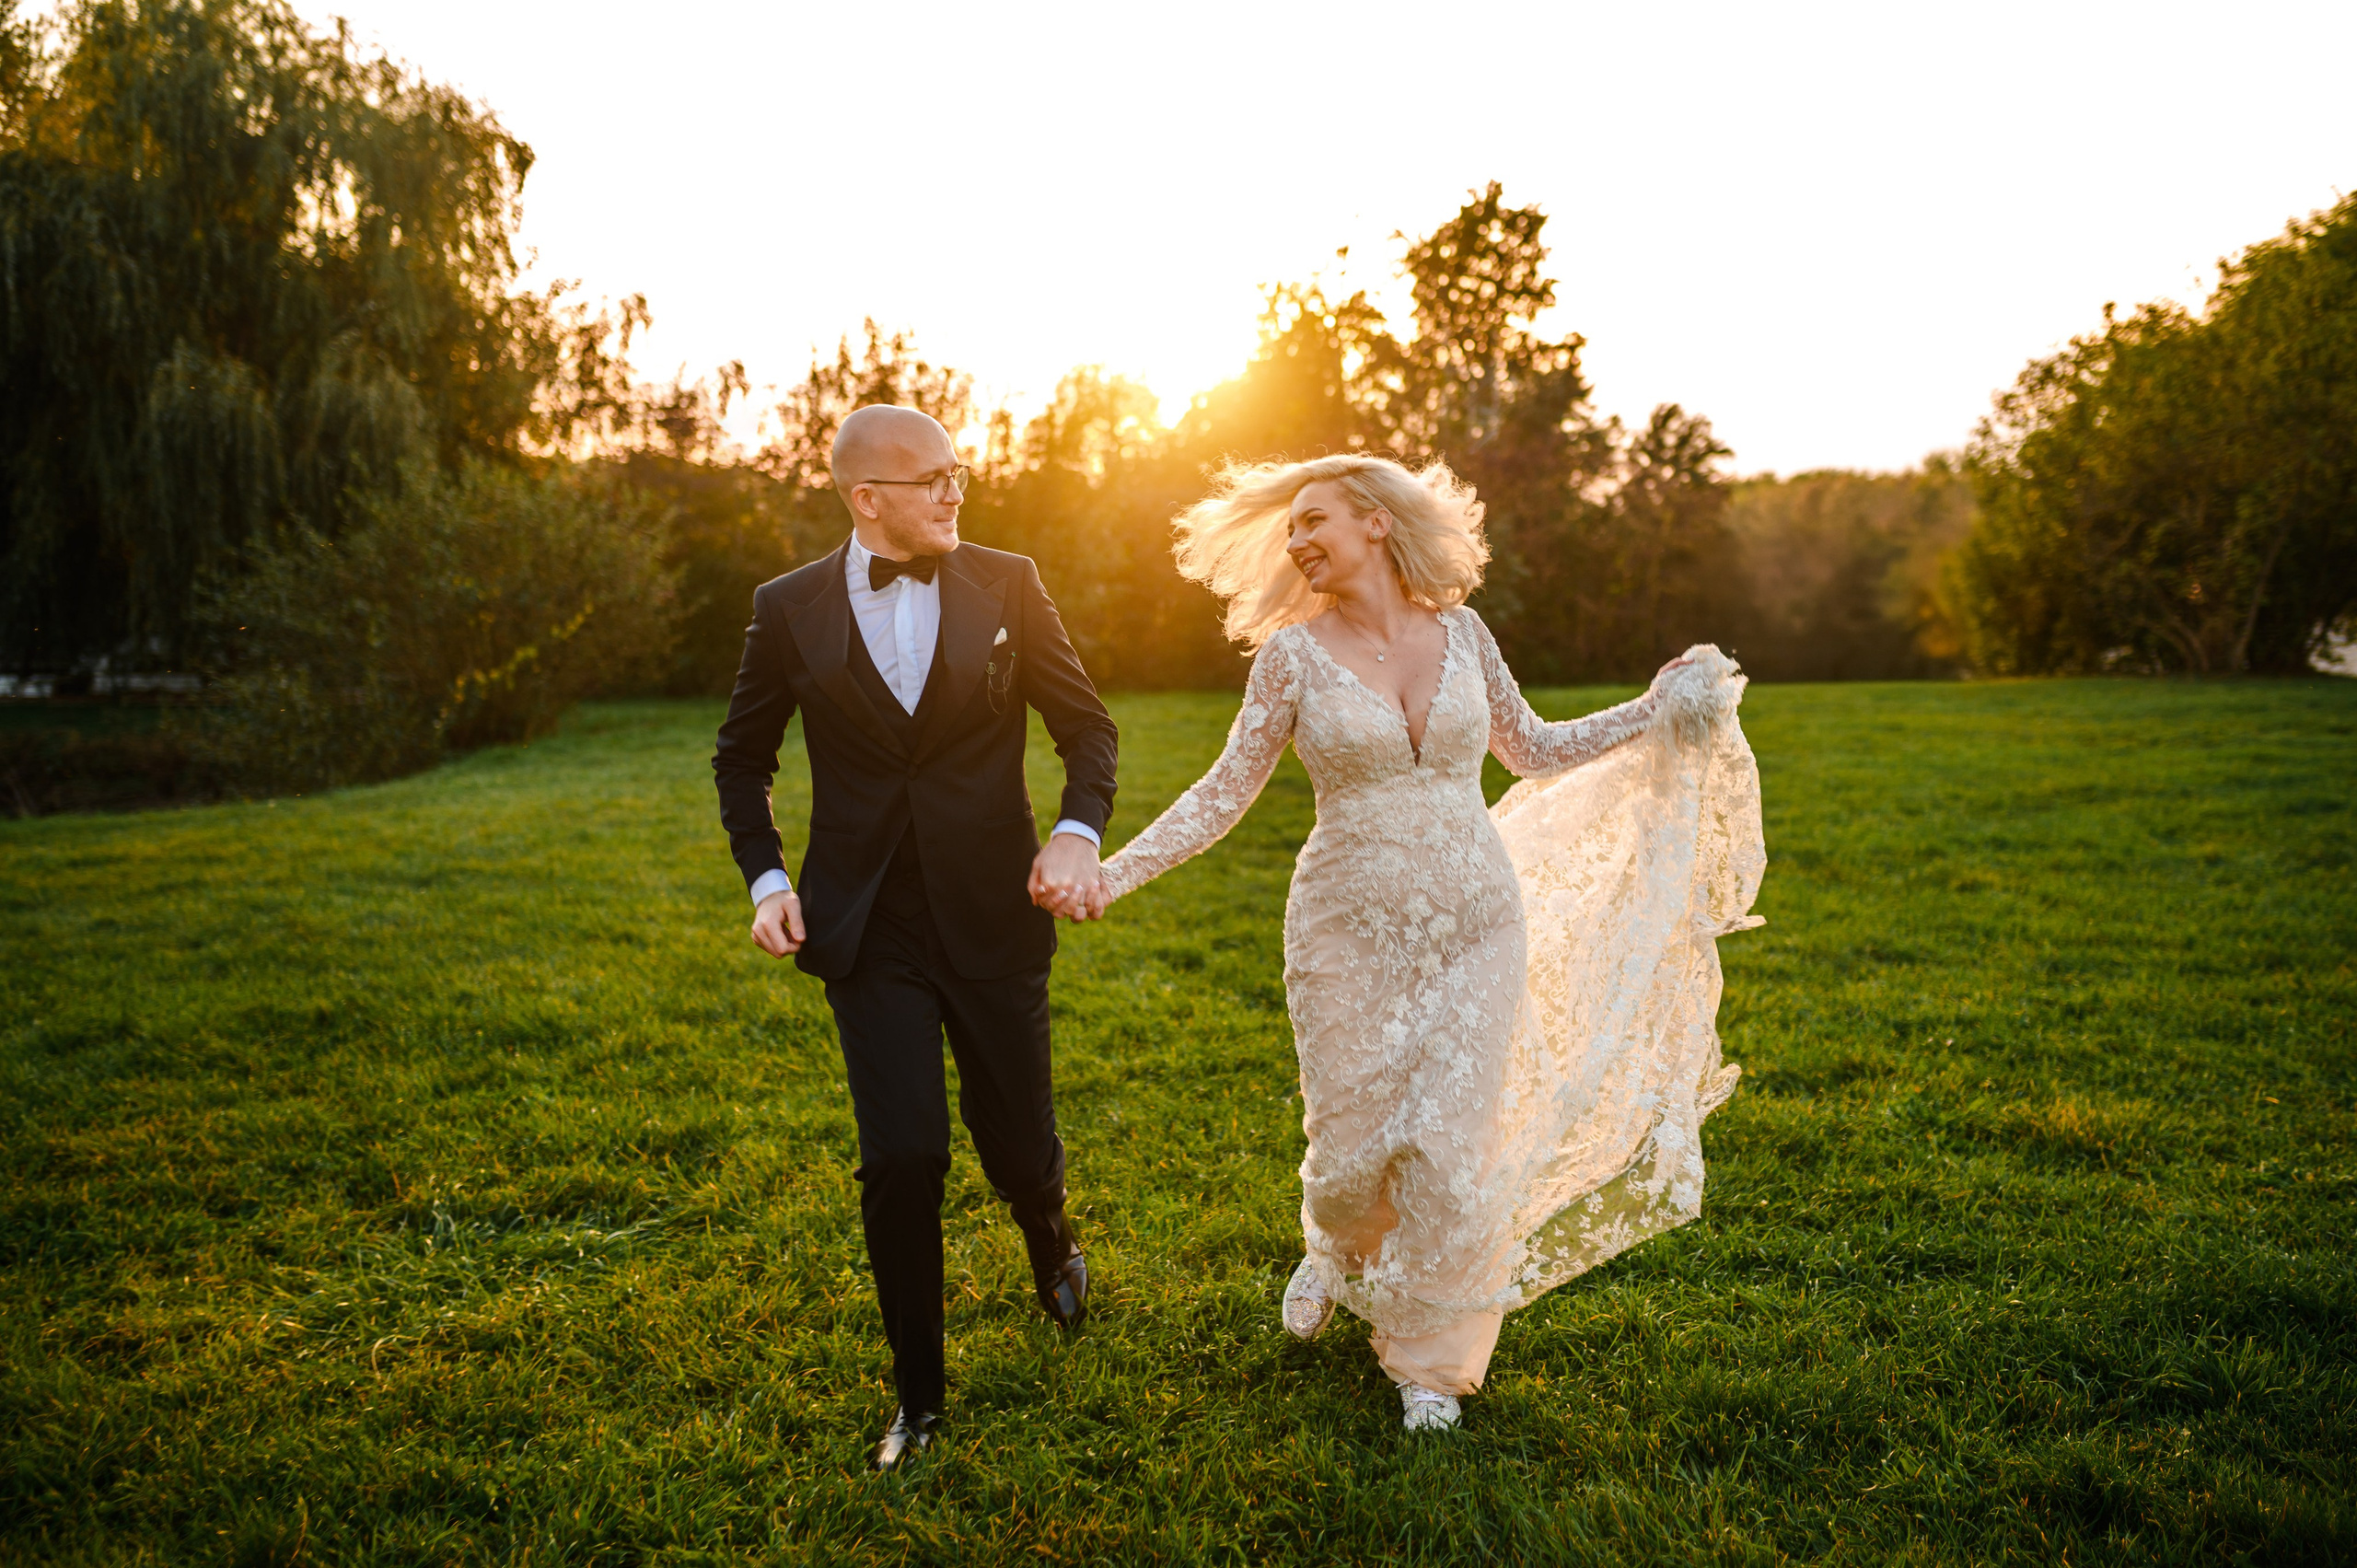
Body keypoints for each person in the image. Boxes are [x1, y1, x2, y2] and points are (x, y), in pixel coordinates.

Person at [1075, 454, 1762, 1432]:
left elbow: (1534, 749)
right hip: (1344, 925)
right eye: (1289, 532)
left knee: (1449, 1144)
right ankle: (1333, 1244)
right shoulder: (1291, 657)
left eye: (1313, 521)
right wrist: (1113, 872)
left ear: (1374, 521)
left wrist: (1656, 708)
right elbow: (1223, 790)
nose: (1298, 542)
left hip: (1479, 916)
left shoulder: (1465, 634)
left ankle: (1428, 1361)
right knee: (1352, 1145)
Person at [713, 405, 1118, 1471]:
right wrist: (767, 882)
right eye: (934, 478)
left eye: (958, 475)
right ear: (867, 498)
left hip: (991, 908)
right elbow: (739, 757)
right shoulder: (786, 607)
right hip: (865, 922)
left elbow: (1087, 727)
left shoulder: (1008, 581)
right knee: (902, 1155)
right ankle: (920, 1398)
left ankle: (1048, 1229)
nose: (955, 493)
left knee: (1016, 1147)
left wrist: (1077, 834)